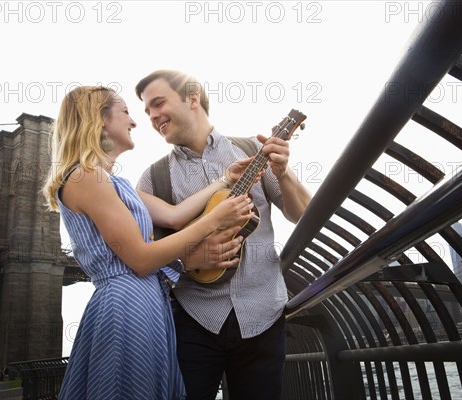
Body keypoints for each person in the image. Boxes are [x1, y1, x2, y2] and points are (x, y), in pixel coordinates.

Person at [42, 86, 255, 400]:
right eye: (126, 112)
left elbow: (174, 216)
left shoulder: (112, 182)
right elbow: (141, 258)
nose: (134, 122)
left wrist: (224, 180)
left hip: (146, 303)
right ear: (100, 120)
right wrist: (214, 221)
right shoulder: (87, 178)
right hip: (127, 305)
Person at [135, 70, 313, 400]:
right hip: (192, 321)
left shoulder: (249, 151)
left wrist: (283, 173)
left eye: (158, 103)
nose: (153, 116)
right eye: (147, 112)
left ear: (192, 98)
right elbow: (141, 255)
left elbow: (303, 214)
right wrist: (188, 259)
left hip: (263, 316)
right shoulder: (153, 178)